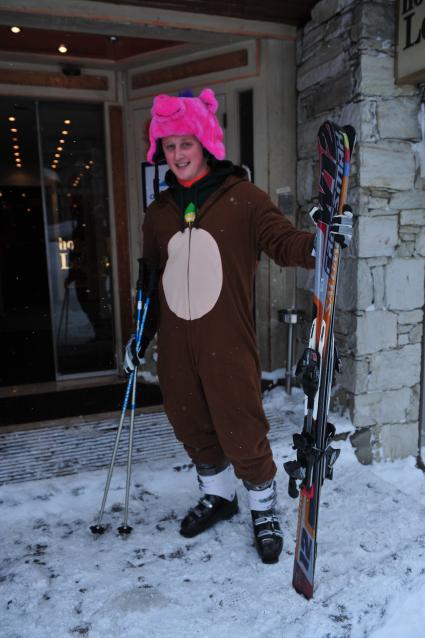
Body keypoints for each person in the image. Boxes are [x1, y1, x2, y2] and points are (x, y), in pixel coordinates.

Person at [124, 88, 352, 564]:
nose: (178, 154)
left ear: (204, 143)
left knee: (241, 428)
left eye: (186, 142)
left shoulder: (243, 199)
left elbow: (283, 242)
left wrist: (321, 242)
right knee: (191, 423)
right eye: (169, 145)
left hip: (227, 343)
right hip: (176, 345)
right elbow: (150, 279)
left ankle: (263, 508)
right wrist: (140, 336)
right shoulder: (159, 212)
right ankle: (220, 496)